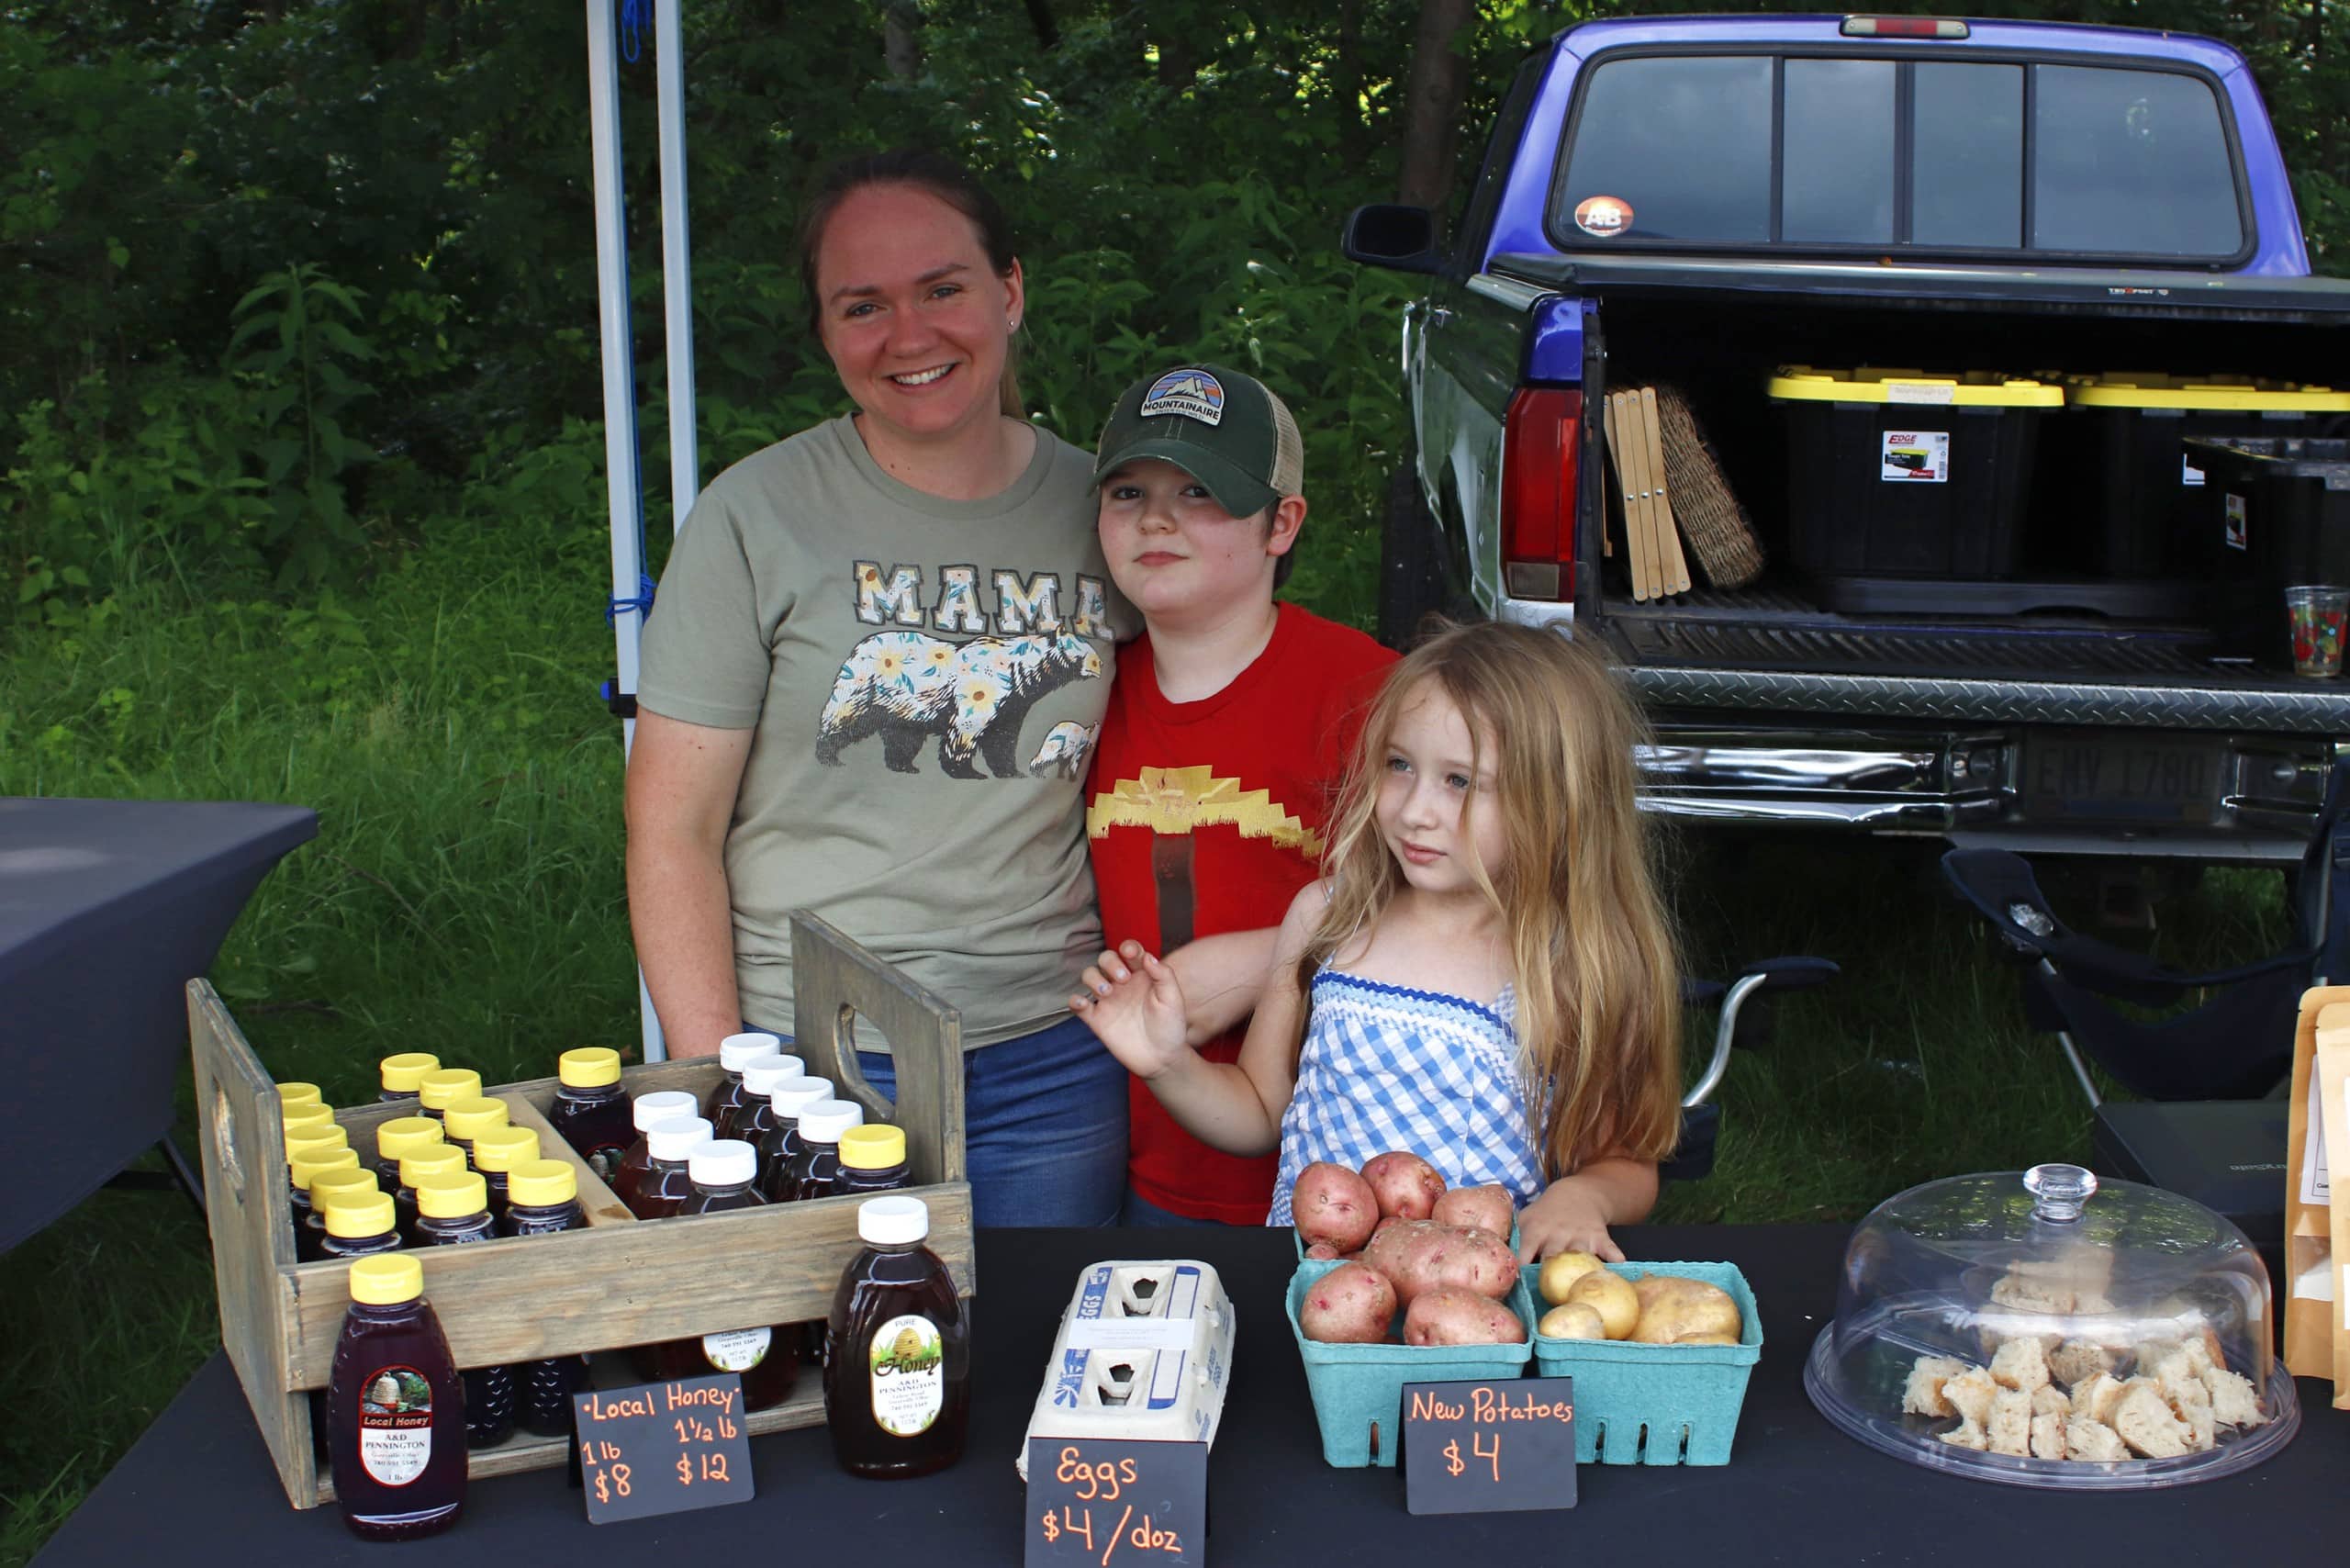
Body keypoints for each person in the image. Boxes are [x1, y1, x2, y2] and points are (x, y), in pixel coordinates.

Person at [625, 149, 1129, 1226]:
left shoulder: (1110, 507)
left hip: (1053, 1051)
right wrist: (720, 1077)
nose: (909, 336)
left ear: (1010, 290)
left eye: (943, 288)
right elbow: (671, 828)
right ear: (825, 330)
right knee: (846, 1374)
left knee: (1038, 1363)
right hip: (819, 1057)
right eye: (863, 305)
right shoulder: (756, 515)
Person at [1070, 622, 1684, 1261]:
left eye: (1461, 781)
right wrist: (1168, 1064)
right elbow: (1258, 1112)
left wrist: (1586, 1196)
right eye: (1400, 765)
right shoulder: (1328, 919)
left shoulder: (1569, 965)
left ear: (1560, 801)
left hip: (1469, 1309)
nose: (1416, 809)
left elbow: (1628, 1165)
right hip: (1314, 1297)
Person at [1082, 363, 1396, 1226]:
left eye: (1199, 492)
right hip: (1131, 1142)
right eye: (1128, 490)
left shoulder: (1371, 691)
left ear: (1281, 523)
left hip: (1336, 1164)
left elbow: (1468, 898)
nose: (1156, 517)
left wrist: (1267, 954)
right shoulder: (1080, 691)